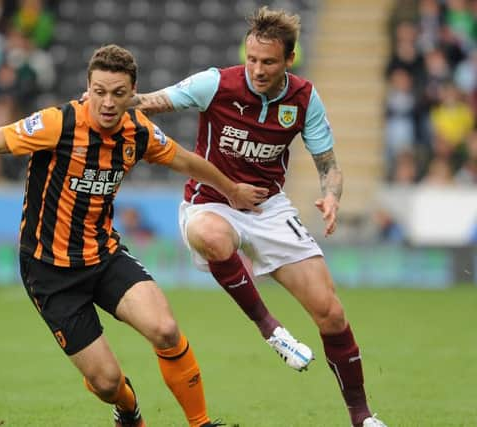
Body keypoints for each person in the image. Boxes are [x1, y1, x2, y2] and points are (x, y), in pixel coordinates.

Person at [0, 44, 268, 427]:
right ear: (87, 88)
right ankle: (127, 409)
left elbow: (185, 159)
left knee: (165, 329)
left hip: (104, 256)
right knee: (107, 382)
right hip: (50, 271)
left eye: (118, 93)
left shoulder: (139, 131)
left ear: (132, 94)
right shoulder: (57, 124)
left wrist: (231, 190)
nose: (108, 103)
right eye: (99, 91)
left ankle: (200, 424)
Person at [125, 7, 388, 427]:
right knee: (210, 235)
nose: (257, 70)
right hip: (210, 201)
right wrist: (113, 98)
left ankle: (362, 417)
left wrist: (331, 196)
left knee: (331, 313)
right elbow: (152, 101)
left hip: (268, 208)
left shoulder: (303, 99)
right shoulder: (215, 83)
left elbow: (329, 164)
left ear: (288, 59)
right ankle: (271, 329)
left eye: (268, 62)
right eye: (251, 59)